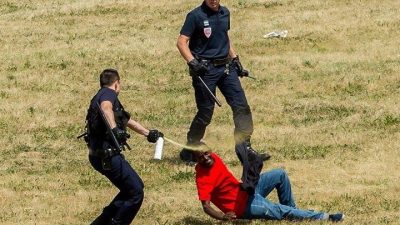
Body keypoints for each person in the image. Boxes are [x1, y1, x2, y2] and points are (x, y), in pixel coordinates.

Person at [176, 0, 269, 162]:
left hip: (226, 69)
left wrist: (235, 59)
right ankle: (190, 148)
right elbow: (181, 42)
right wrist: (193, 63)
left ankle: (245, 149)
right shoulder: (195, 16)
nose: (214, 0)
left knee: (241, 107)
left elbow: (224, 36)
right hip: (205, 71)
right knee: (205, 113)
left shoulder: (225, 13)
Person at [82, 69, 163, 225]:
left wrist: (148, 133)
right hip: (107, 157)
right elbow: (106, 108)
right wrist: (114, 130)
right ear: (117, 83)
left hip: (99, 156)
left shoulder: (102, 96)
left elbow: (125, 120)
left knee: (131, 190)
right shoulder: (108, 94)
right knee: (135, 192)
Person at [180, 149, 345, 222]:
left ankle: (293, 215)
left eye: (206, 152)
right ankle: (325, 217)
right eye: (201, 157)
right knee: (279, 210)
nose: (206, 157)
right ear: (196, 160)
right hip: (244, 207)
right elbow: (206, 206)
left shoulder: (214, 157)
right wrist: (223, 217)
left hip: (247, 190)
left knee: (280, 174)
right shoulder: (202, 178)